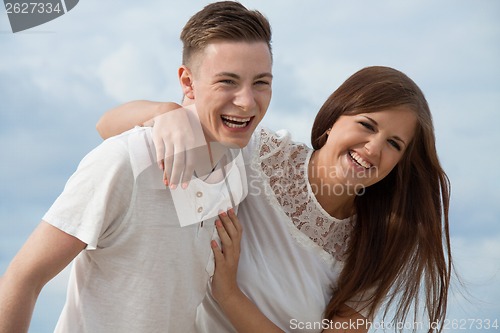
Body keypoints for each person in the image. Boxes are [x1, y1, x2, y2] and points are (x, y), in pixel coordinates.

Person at [98, 66, 452, 332]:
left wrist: (229, 294)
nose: (373, 148)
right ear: (332, 119)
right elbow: (107, 126)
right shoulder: (258, 157)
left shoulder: (381, 242)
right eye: (367, 125)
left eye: (394, 144)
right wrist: (166, 114)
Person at [0, 2, 273, 332]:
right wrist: (164, 110)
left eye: (261, 82)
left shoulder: (236, 163)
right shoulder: (124, 162)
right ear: (188, 83)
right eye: (227, 82)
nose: (246, 101)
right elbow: (23, 278)